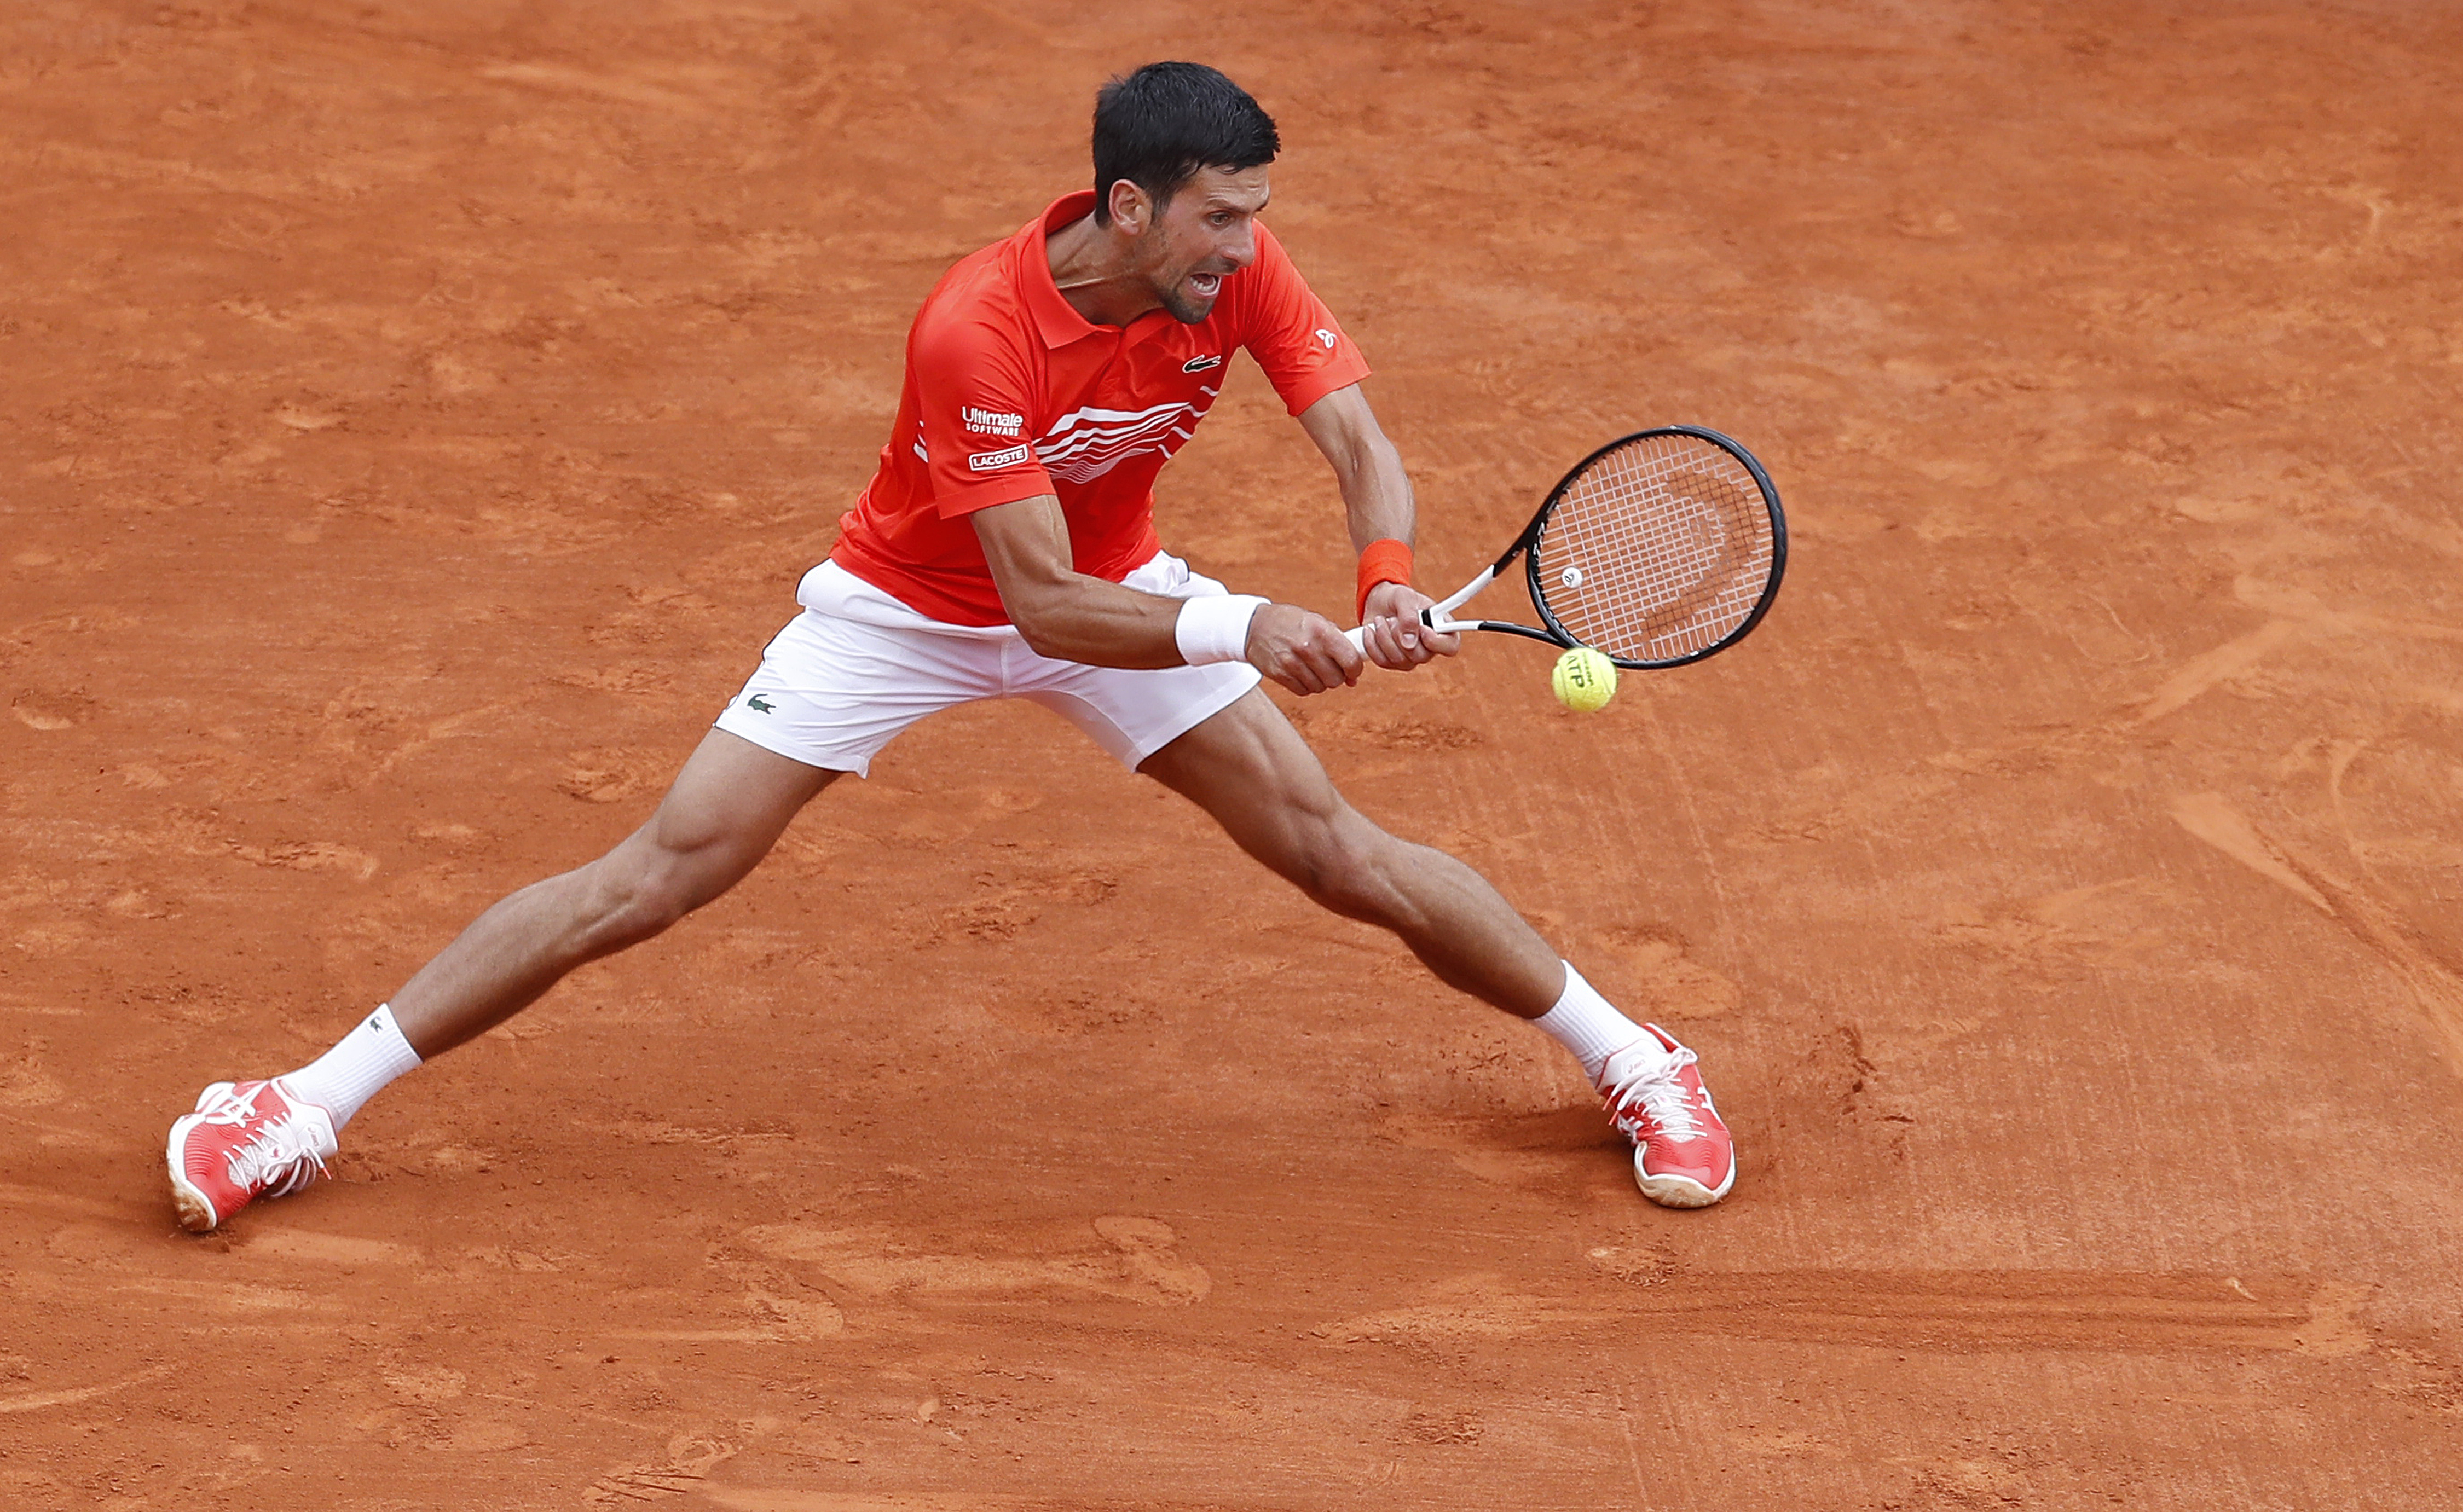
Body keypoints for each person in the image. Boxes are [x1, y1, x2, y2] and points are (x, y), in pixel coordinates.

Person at [165, 62, 1733, 1232]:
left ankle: (1635, 1059)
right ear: (1129, 205)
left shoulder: (1237, 269)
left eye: (1255, 217)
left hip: (1122, 596)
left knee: (1339, 851)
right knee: (654, 873)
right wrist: (1243, 621)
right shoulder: (973, 325)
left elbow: (1356, 443)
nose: (1246, 246)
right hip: (916, 613)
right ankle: (297, 1105)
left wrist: (1383, 571)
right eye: (1219, 215)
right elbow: (1039, 603)